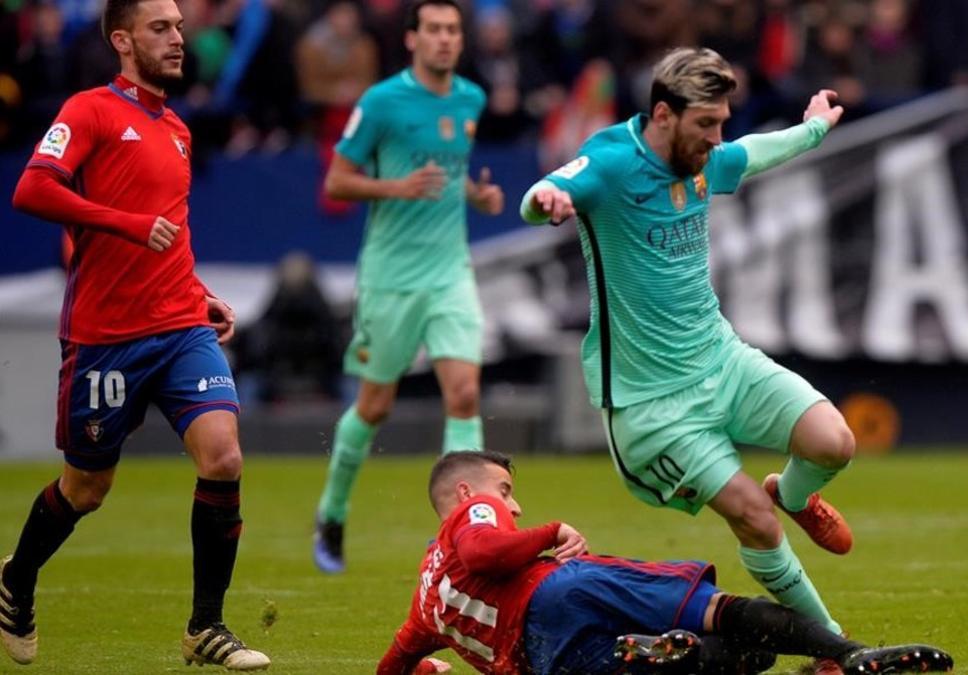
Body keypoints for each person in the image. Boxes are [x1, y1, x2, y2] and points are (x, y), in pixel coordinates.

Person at [519, 47, 856, 672]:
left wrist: (811, 130)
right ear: (664, 115)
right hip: (653, 407)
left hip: (721, 360)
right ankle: (831, 650)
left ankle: (798, 494)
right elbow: (551, 187)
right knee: (753, 519)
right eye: (706, 124)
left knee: (834, 441)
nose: (716, 138)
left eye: (722, 121)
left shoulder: (703, 158)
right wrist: (546, 202)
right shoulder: (613, 163)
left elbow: (749, 154)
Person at [2, 0, 269, 670]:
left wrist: (201, 294)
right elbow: (32, 189)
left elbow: (169, 230)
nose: (178, 38)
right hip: (106, 335)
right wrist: (121, 221)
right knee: (86, 489)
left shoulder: (177, 128)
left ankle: (205, 626)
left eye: (179, 27)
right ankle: (16, 576)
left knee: (224, 456)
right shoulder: (88, 109)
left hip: (179, 325)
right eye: (161, 28)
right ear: (123, 40)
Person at [376, 450, 954, 674]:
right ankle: (848, 655)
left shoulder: (426, 598)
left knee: (736, 660)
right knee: (716, 610)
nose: (513, 503)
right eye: (504, 490)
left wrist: (426, 671)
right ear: (463, 495)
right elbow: (485, 549)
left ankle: (667, 655)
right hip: (558, 593)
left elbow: (393, 664)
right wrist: (551, 530)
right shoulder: (470, 512)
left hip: (547, 661)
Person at [313, 0, 504, 575]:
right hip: (391, 278)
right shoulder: (381, 102)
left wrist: (475, 195)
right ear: (413, 39)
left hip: (450, 271)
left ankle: (463, 532)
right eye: (435, 30)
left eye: (453, 30)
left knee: (465, 393)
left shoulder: (471, 99)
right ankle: (333, 509)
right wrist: (398, 187)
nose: (446, 39)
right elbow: (337, 182)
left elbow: (449, 174)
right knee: (374, 406)